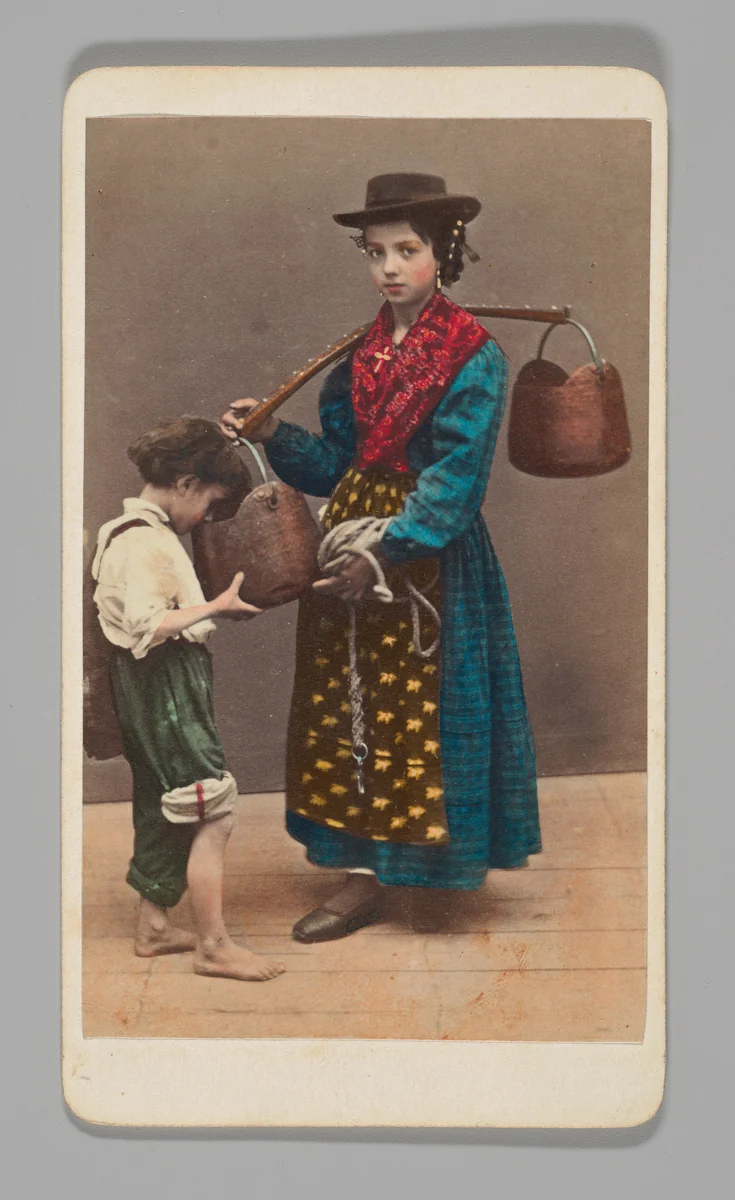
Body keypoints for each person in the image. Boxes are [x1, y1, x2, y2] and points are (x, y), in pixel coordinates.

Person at [221, 173, 542, 943]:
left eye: (407, 250)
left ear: (444, 252)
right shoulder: (359, 354)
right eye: (375, 253)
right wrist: (273, 437)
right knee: (347, 712)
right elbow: (339, 466)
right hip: (348, 544)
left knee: (422, 712)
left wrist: (386, 554)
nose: (390, 268)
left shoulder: (474, 356)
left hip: (424, 552)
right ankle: (360, 878)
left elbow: (455, 478)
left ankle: (427, 879)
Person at [92, 416, 285, 981]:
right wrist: (214, 606)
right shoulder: (148, 542)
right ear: (183, 484)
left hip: (142, 686)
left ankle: (154, 926)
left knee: (162, 802)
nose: (205, 517)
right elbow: (149, 627)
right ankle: (213, 945)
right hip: (164, 684)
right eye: (208, 502)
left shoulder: (118, 529)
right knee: (212, 810)